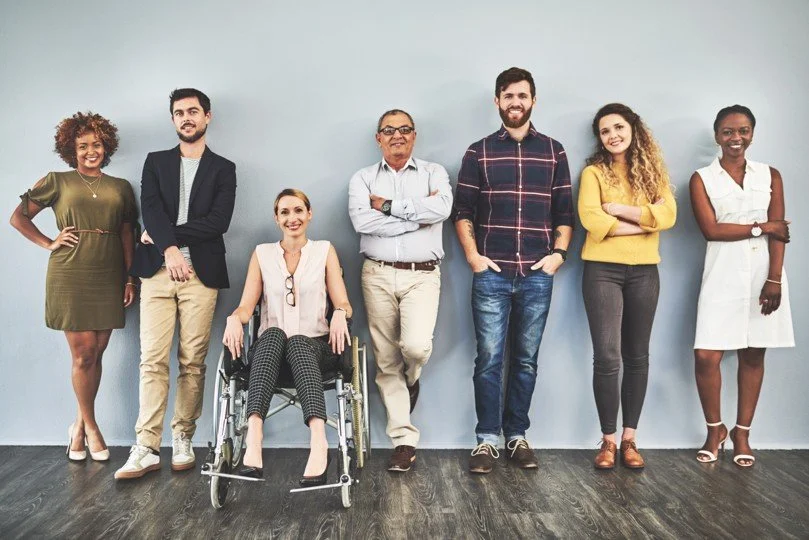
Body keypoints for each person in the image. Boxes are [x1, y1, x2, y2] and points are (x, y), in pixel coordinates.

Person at [451, 67, 574, 474]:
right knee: (488, 359)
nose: (515, 102)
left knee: (526, 360)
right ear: (497, 101)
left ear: (533, 100)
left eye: (522, 95)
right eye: (508, 96)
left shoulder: (554, 151)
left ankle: (517, 436)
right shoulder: (479, 152)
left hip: (538, 273)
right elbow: (462, 211)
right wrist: (474, 257)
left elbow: (564, 212)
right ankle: (487, 440)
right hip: (491, 272)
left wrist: (558, 255)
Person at [115, 88, 237, 480]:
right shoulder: (156, 162)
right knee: (151, 359)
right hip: (156, 273)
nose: (186, 117)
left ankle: (183, 436)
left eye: (193, 111)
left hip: (201, 276)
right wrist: (168, 249)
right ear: (173, 119)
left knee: (192, 361)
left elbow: (218, 222)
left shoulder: (224, 168)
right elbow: (150, 209)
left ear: (207, 116)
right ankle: (147, 446)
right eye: (179, 112)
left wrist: (164, 236)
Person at [10, 112, 138, 462]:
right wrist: (49, 242)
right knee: (83, 355)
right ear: (71, 149)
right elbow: (18, 217)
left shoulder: (121, 187)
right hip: (71, 273)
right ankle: (92, 428)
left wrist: (130, 277)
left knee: (97, 354)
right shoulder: (58, 180)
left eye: (96, 144)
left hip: (109, 272)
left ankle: (78, 426)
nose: (90, 151)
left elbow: (127, 233)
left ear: (106, 146)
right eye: (82, 146)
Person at [222, 189, 352, 484]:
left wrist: (340, 313)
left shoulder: (324, 250)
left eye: (298, 210)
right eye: (284, 212)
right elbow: (246, 307)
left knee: (298, 342)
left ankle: (318, 442)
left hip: (315, 349)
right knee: (272, 334)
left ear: (309, 214)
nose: (292, 218)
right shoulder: (262, 254)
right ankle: (254, 436)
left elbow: (344, 302)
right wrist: (233, 318)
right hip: (270, 355)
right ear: (276, 218)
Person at [348, 108, 452, 473]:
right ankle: (403, 440)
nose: (398, 135)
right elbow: (362, 221)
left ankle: (413, 378)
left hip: (422, 275)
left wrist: (388, 208)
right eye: (389, 130)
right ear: (378, 138)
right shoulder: (363, 178)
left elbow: (442, 208)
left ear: (414, 135)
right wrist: (416, 219)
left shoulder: (433, 173)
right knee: (386, 359)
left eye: (405, 129)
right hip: (376, 273)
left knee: (415, 347)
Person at [691, 105, 793, 468]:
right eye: (728, 131)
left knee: (753, 354)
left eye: (743, 130)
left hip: (764, 273)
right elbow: (712, 230)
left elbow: (781, 233)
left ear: (752, 133)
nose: (736, 138)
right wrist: (762, 227)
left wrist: (774, 278)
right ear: (717, 136)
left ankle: (742, 433)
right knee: (706, 355)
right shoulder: (702, 178)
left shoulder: (770, 175)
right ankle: (714, 429)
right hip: (721, 272)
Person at [578, 103, 677, 469]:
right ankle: (607, 441)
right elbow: (592, 220)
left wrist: (618, 210)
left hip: (645, 271)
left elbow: (668, 216)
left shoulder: (653, 174)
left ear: (633, 129)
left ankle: (630, 439)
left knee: (637, 356)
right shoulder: (593, 173)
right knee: (607, 356)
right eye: (605, 131)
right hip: (602, 271)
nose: (613, 135)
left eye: (618, 127)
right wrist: (646, 221)